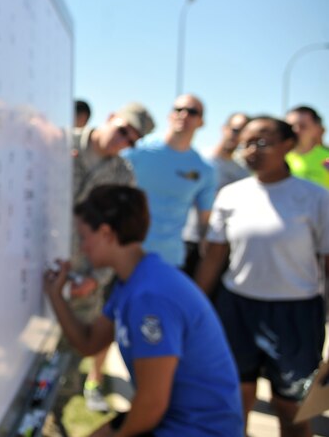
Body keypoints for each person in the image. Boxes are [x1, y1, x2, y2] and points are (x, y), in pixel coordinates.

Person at [46, 185, 243, 436]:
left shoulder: (149, 296)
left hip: (198, 427)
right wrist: (56, 295)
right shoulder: (135, 278)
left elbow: (151, 404)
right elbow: (89, 343)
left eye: (84, 237)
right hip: (177, 415)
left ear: (106, 233)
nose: (82, 247)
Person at [195, 116, 329, 437]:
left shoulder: (315, 198)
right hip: (237, 310)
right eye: (247, 142)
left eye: (263, 141)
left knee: (290, 407)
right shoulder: (230, 195)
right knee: (236, 397)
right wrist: (195, 309)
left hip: (296, 315)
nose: (252, 149)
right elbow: (214, 258)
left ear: (287, 146)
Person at [70, 102, 155, 411]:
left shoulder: (122, 174)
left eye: (131, 141)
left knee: (69, 350)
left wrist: (95, 279)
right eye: (121, 131)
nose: (123, 142)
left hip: (80, 273)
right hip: (28, 260)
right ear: (109, 118)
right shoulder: (59, 142)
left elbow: (120, 237)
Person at [124, 94, 216, 267]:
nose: (184, 115)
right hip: (125, 253)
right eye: (178, 109)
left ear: (201, 122)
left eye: (192, 111)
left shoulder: (205, 170)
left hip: (169, 260)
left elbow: (205, 221)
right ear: (169, 115)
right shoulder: (138, 149)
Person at [181, 112, 249, 276]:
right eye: (234, 129)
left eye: (243, 133)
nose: (236, 136)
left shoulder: (243, 173)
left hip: (217, 244)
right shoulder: (197, 159)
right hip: (186, 238)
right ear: (224, 128)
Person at [285, 105, 329, 189]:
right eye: (291, 127)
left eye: (303, 126)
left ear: (316, 129)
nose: (296, 131)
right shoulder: (277, 159)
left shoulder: (327, 158)